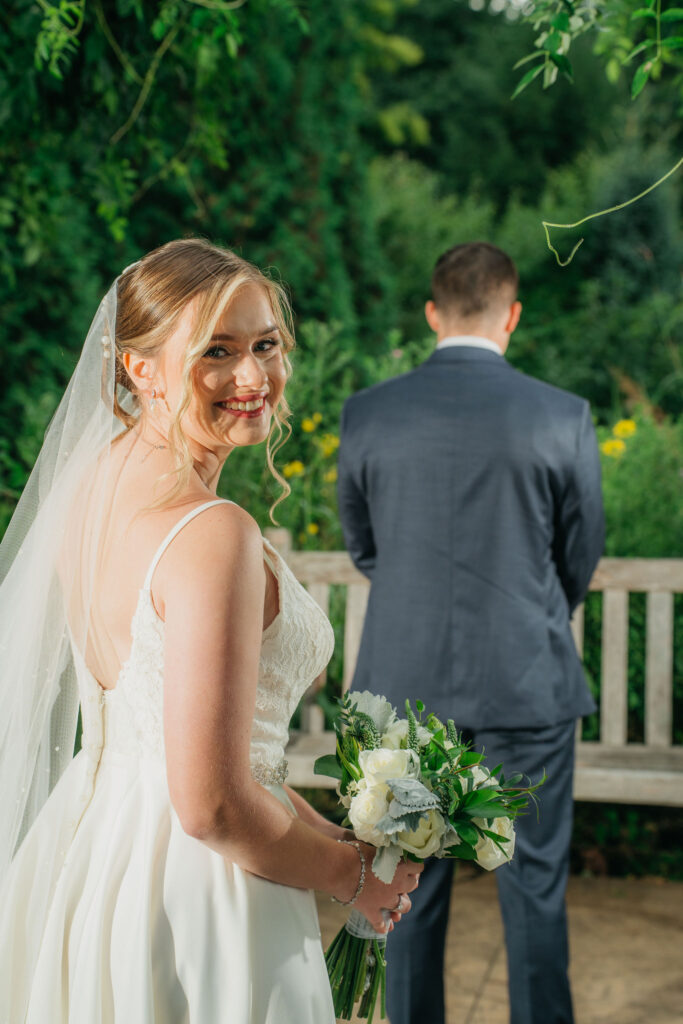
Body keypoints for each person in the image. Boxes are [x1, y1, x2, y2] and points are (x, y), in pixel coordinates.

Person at [0, 238, 422, 1023]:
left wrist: (336, 835)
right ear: (140, 368)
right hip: (197, 895)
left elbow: (194, 748)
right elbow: (213, 805)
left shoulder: (90, 486)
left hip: (92, 859)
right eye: (215, 352)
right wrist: (352, 880)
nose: (254, 378)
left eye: (265, 345)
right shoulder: (211, 531)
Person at [337, 241, 605, 1024]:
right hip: (528, 687)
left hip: (402, 701)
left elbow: (365, 548)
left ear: (432, 313)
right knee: (535, 896)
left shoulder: (369, 413)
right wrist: (524, 616)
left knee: (403, 900)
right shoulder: (563, 416)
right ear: (511, 314)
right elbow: (577, 559)